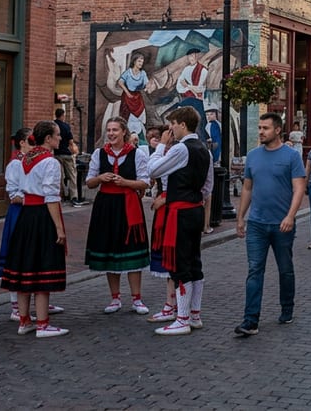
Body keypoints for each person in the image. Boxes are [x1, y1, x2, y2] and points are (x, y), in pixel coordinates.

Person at [234, 112, 306, 336]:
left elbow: (299, 188)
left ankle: (287, 308)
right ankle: (250, 320)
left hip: (281, 224)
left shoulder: (291, 156)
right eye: (260, 128)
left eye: (265, 128)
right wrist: (240, 217)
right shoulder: (253, 156)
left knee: (285, 269)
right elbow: (247, 188)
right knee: (254, 270)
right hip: (256, 223)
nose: (261, 132)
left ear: (277, 130)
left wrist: (290, 216)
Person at [147, 105, 214, 335]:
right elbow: (208, 186)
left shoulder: (181, 149)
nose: (171, 129)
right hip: (194, 209)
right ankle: (194, 315)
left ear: (183, 125)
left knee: (180, 263)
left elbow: (153, 170)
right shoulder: (205, 149)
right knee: (194, 261)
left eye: (173, 125)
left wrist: (161, 148)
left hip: (180, 212)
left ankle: (182, 318)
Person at [0, 120, 69, 338]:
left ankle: (24, 321)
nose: (60, 138)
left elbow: (20, 189)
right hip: (41, 216)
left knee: (24, 267)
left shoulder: (23, 160)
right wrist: (59, 228)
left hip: (25, 217)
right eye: (57, 135)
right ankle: (43, 324)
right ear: (48, 138)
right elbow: (50, 196)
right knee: (41, 267)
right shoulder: (50, 163)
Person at [84, 117, 151, 316]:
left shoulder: (136, 154)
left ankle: (137, 298)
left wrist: (126, 182)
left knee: (131, 250)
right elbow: (89, 182)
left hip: (128, 205)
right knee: (110, 249)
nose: (111, 133)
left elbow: (145, 182)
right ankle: (115, 298)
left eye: (115, 130)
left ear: (124, 132)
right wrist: (100, 178)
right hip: (105, 206)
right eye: (109, 130)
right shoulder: (99, 153)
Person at [175, 48, 209, 138]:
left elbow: (199, 89)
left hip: (197, 101)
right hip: (188, 98)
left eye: (194, 55)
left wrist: (187, 86)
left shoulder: (203, 70)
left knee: (200, 123)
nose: (192, 58)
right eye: (190, 56)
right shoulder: (186, 69)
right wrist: (189, 87)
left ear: (197, 56)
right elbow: (179, 86)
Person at [117, 52, 150, 137]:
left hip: (137, 98)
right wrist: (127, 92)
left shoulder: (143, 73)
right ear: (134, 61)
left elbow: (147, 83)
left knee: (140, 117)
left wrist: (147, 87)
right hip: (128, 98)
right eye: (139, 61)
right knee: (127, 118)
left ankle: (139, 137)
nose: (141, 63)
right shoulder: (128, 72)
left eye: (142, 62)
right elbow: (120, 82)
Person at [54, 109, 78, 205]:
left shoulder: (53, 125)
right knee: (72, 175)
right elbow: (71, 142)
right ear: (63, 115)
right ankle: (73, 196)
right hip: (66, 154)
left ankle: (62, 195)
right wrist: (74, 151)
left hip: (56, 154)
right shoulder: (66, 126)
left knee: (60, 176)